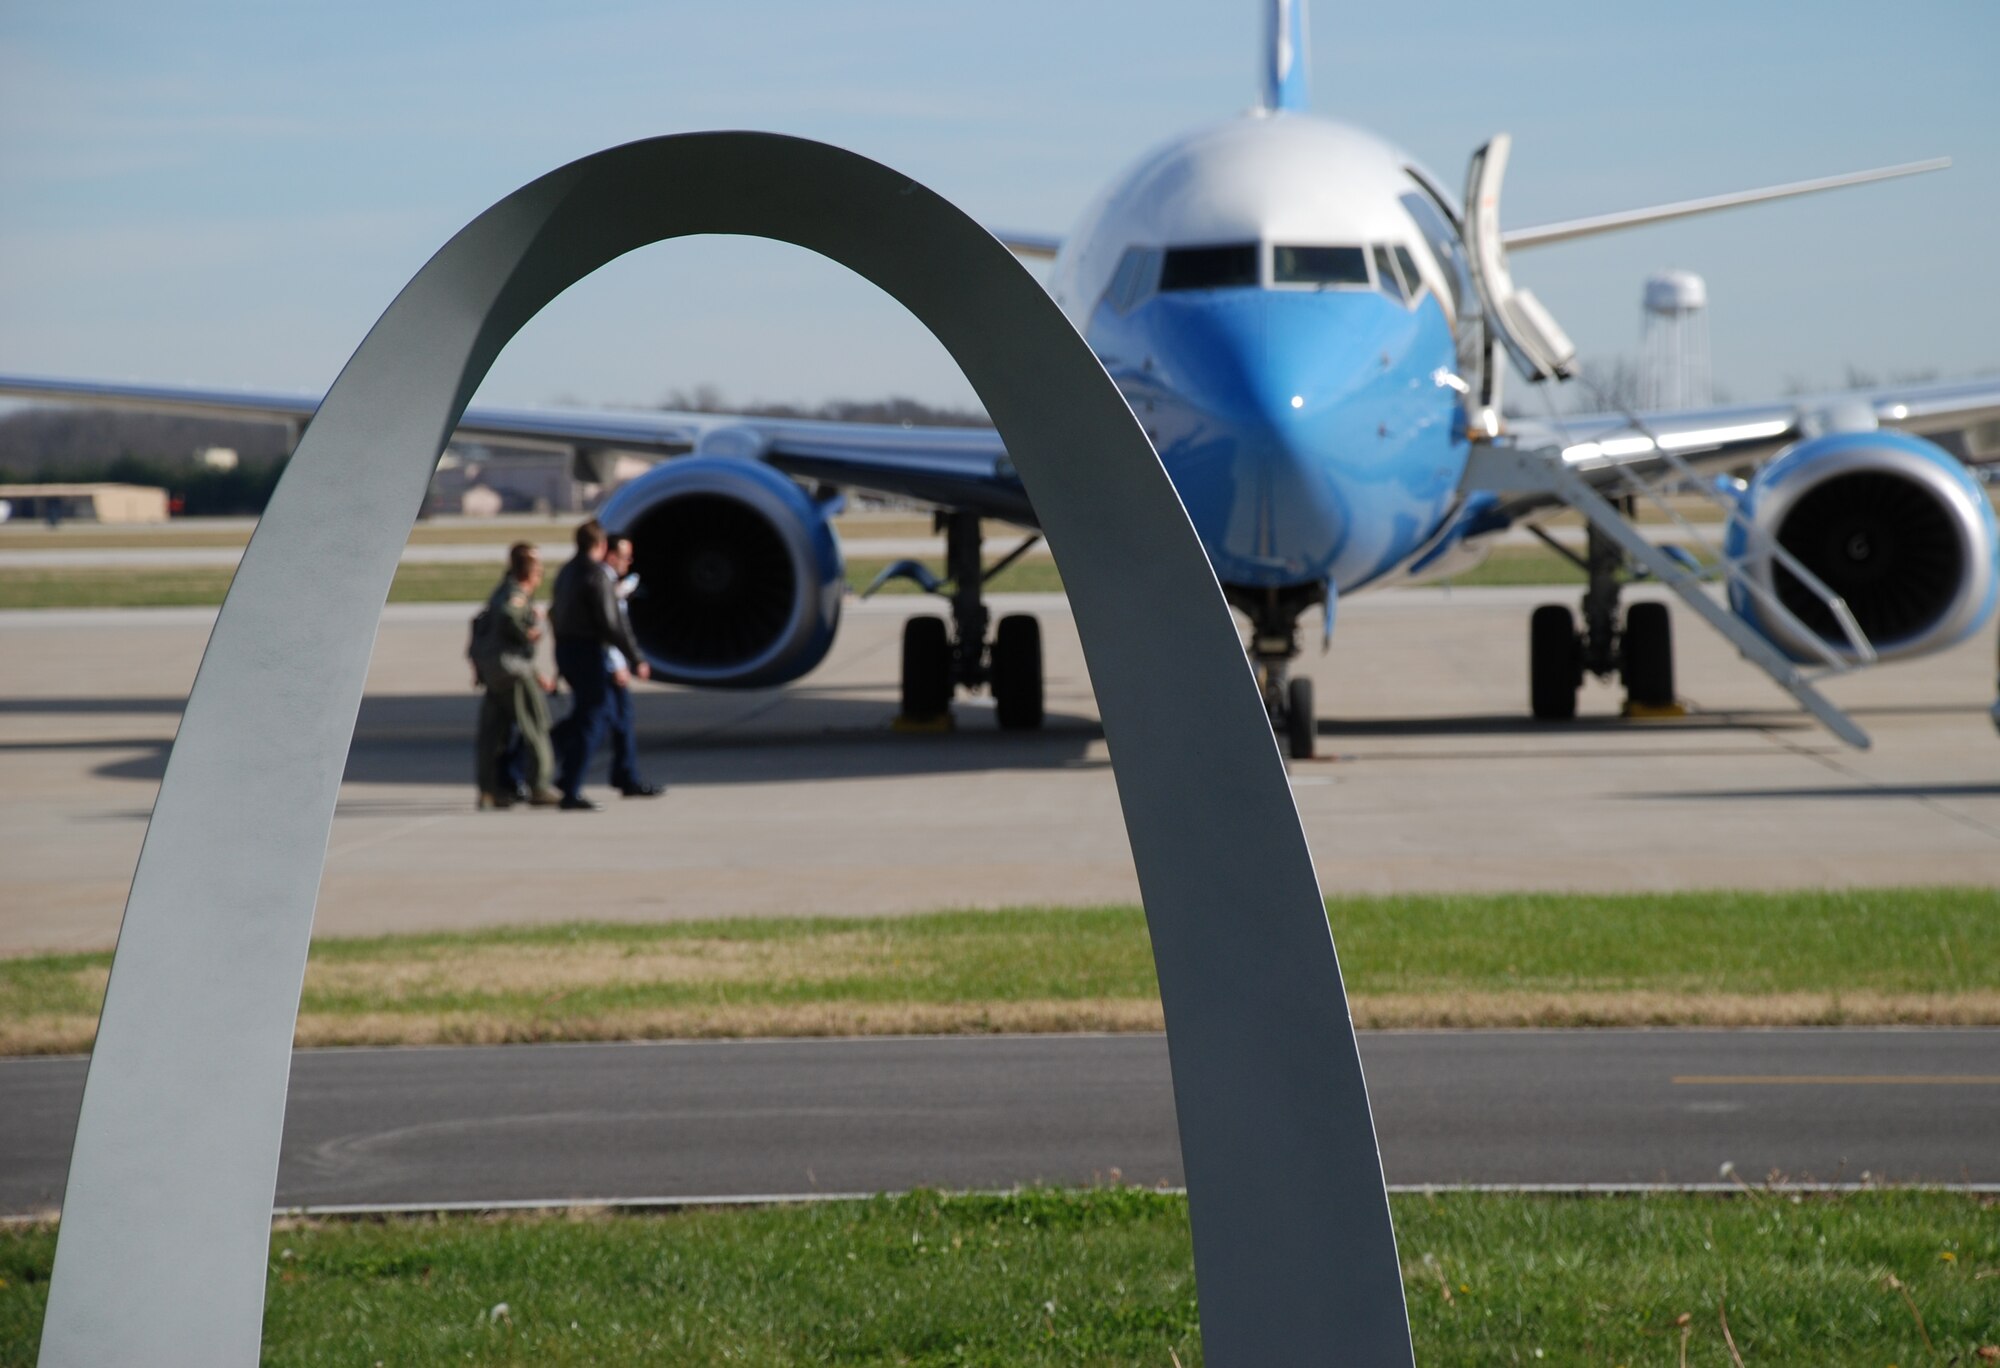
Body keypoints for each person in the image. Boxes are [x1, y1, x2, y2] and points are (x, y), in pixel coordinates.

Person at [549, 519, 650, 810]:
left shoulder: (567, 572)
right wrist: (635, 658)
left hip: (567, 649)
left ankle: (542, 764)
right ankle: (570, 786)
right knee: (594, 718)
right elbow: (611, 623)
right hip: (587, 651)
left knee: (589, 715)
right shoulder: (596, 575)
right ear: (601, 545)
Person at [470, 542, 560, 810]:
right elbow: (511, 619)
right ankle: (540, 786)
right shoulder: (515, 595)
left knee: (492, 733)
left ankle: (488, 791)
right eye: (538, 568)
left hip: (496, 671)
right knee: (536, 725)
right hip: (513, 673)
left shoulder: (501, 590)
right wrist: (530, 629)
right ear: (529, 572)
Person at [601, 535, 662, 798]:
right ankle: (520, 764)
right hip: (606, 665)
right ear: (611, 556)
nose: (630, 562)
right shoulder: (601, 582)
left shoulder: (609, 583)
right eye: (626, 557)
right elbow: (609, 630)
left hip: (606, 663)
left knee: (614, 722)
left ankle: (625, 776)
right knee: (590, 725)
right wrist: (622, 663)